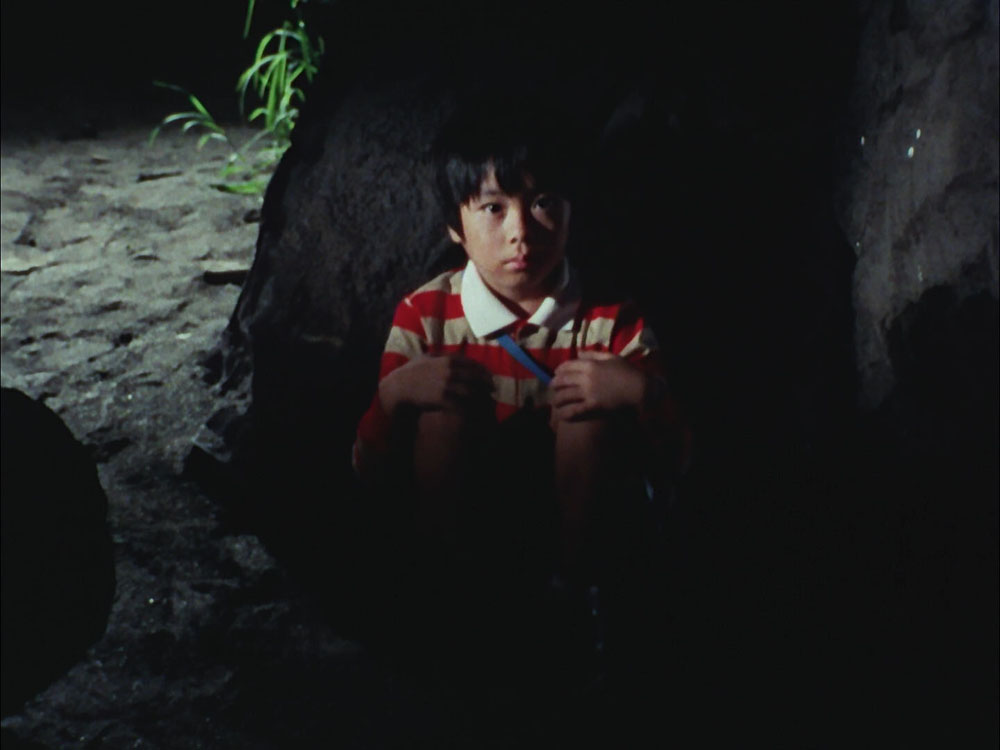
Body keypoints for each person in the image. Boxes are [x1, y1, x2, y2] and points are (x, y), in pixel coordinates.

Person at [353, 101, 688, 657]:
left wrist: (640, 392)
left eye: (543, 202)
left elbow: (680, 458)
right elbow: (366, 469)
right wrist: (392, 397)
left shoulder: (611, 319)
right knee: (439, 411)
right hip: (471, 518)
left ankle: (581, 599)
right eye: (493, 207)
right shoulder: (425, 316)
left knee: (589, 411)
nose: (521, 232)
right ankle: (444, 595)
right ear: (454, 226)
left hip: (578, 521)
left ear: (572, 209)